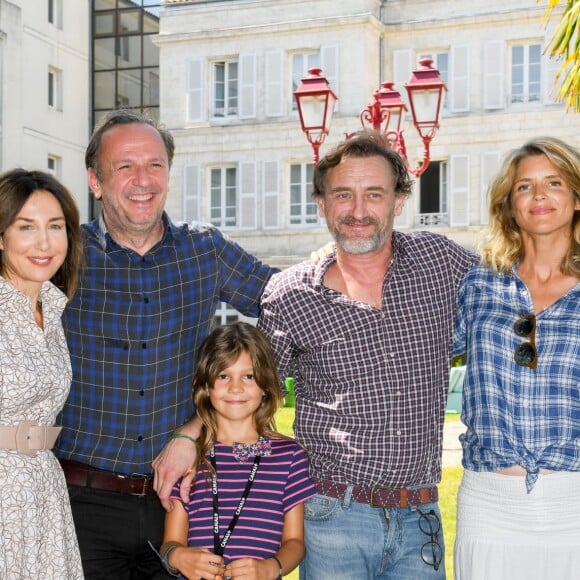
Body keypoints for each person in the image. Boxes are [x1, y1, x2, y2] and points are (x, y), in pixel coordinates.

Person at [54, 109, 276, 579]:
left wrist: (198, 425)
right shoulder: (63, 255)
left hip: (182, 502)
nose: (143, 180)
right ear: (95, 181)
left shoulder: (206, 250)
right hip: (79, 507)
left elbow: (290, 304)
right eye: (125, 166)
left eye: (154, 165)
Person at [257, 131, 478, 579]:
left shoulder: (440, 262)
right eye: (343, 195)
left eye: (374, 194)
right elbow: (254, 402)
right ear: (321, 203)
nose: (358, 211)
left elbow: (519, 288)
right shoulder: (289, 294)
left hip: (420, 518)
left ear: (398, 201)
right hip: (330, 517)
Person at [453, 137, 580, 580]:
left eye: (555, 183)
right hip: (489, 503)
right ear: (509, 206)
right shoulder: (479, 284)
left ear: (576, 197)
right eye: (525, 187)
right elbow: (415, 349)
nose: (540, 196)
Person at [160, 322, 316, 579]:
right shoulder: (190, 457)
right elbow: (171, 542)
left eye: (249, 376)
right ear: (206, 387)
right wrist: (177, 557)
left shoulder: (289, 456)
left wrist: (270, 567)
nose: (236, 388)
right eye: (223, 376)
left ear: (265, 385)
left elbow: (295, 543)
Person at [0, 169, 84, 578]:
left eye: (55, 226)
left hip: (44, 489)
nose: (45, 243)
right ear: (1, 237)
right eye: (26, 227)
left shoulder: (51, 309)